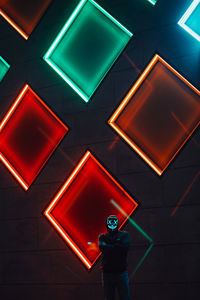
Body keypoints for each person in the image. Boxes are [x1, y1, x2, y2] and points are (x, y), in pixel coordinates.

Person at [99, 215, 130, 300]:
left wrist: (109, 245)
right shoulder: (102, 237)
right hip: (108, 273)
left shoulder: (124, 235)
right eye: (110, 221)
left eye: (114, 221)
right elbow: (103, 248)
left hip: (120, 272)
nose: (112, 224)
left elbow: (124, 248)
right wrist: (117, 244)